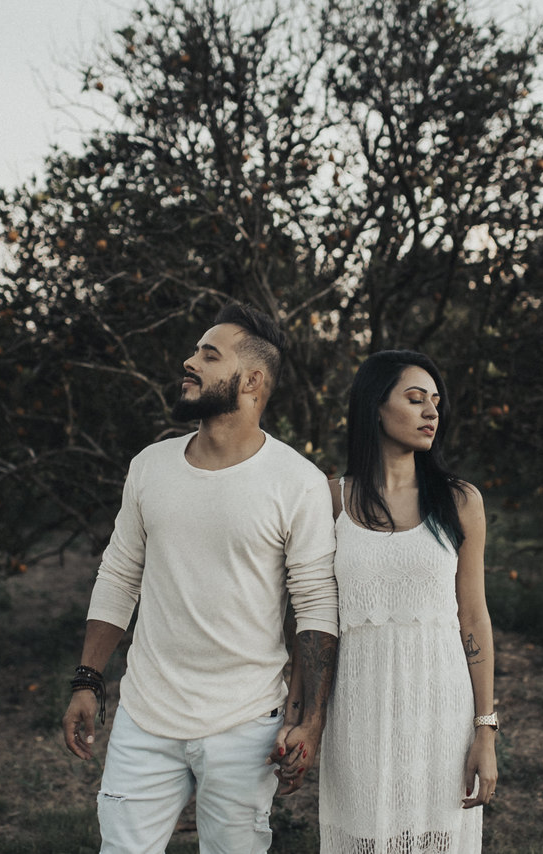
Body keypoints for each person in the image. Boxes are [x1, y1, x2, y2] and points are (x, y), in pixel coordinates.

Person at [62, 303, 339, 854]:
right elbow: (119, 576)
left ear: (252, 380)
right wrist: (87, 680)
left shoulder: (297, 482)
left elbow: (315, 606)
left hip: (246, 723)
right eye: (195, 352)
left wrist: (311, 722)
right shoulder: (150, 466)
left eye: (209, 356)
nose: (189, 363)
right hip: (146, 715)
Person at [312, 349, 497, 852]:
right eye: (415, 400)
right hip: (358, 708)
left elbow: (474, 617)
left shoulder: (460, 501)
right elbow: (309, 614)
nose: (431, 412)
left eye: (436, 402)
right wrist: (304, 715)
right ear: (375, 406)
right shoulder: (330, 498)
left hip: (441, 708)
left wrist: (486, 731)